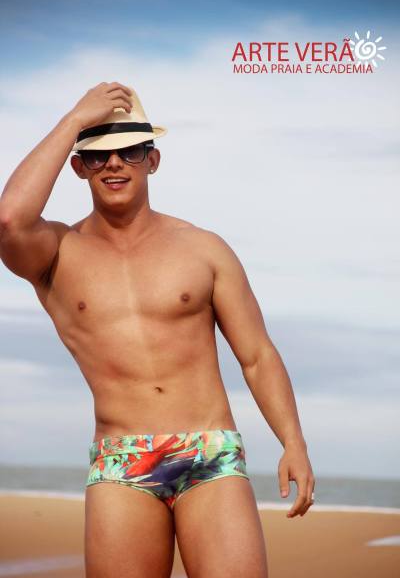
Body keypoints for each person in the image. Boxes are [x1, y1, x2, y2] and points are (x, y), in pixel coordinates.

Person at [0, 81, 315, 578]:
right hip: (121, 461)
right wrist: (75, 119)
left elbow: (256, 355)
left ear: (153, 160)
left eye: (130, 150)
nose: (114, 164)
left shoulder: (204, 249)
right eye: (98, 154)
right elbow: (9, 219)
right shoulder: (57, 253)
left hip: (208, 450)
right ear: (78, 166)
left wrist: (293, 442)